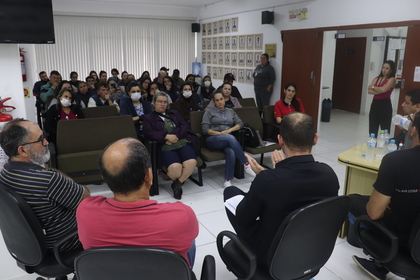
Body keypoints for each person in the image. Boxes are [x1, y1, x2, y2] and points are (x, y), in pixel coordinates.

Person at [223, 112, 339, 267]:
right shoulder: (329, 175)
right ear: (315, 139)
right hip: (313, 251)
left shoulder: (268, 180)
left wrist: (268, 176)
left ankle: (247, 259)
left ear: (280, 140)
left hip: (270, 257)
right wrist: (272, 174)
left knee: (230, 193)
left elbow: (244, 219)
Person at [76, 138, 198, 268]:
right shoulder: (182, 216)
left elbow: (85, 195)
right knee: (189, 243)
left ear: (105, 178)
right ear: (149, 176)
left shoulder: (84, 210)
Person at [0, 119, 90, 253]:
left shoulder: (5, 173)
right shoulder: (48, 179)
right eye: (40, 139)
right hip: (66, 244)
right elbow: (85, 197)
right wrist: (53, 172)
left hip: (33, 247)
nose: (46, 143)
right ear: (23, 150)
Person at [351, 110, 420, 280]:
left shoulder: (396, 161)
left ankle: (378, 261)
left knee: (352, 201)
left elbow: (374, 213)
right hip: (416, 238)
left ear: (413, 130)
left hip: (402, 240)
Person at [143, 92, 197, 200]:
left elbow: (184, 125)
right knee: (175, 169)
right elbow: (148, 132)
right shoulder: (148, 117)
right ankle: (179, 180)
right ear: (153, 103)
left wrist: (174, 136)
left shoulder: (174, 113)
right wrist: (165, 136)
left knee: (191, 162)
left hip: (181, 141)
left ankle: (177, 184)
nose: (162, 104)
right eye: (159, 102)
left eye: (164, 102)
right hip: (165, 146)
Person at [202, 92, 255, 187]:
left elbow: (240, 124)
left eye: (221, 99)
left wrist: (230, 130)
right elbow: (205, 129)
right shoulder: (209, 112)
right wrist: (219, 133)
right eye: (217, 100)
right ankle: (246, 164)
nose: (220, 102)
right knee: (230, 137)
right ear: (214, 102)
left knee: (230, 151)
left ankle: (227, 180)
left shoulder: (231, 111)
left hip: (227, 140)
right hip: (213, 139)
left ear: (224, 99)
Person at [368, 60, 396, 136]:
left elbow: (383, 89)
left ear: (391, 70)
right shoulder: (377, 78)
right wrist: (380, 90)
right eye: (383, 67)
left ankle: (383, 145)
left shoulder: (392, 79)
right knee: (372, 126)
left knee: (385, 128)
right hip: (375, 103)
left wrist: (373, 87)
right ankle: (372, 142)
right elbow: (369, 91)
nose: (384, 70)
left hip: (385, 104)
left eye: (387, 68)